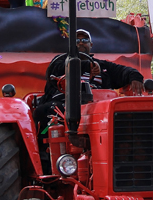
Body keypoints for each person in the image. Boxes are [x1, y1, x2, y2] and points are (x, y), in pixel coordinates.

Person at [34, 29, 144, 162]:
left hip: (96, 108)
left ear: (91, 45)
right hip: (63, 106)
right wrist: (86, 65)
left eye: (85, 40)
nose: (81, 43)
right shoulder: (60, 62)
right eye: (77, 40)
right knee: (46, 117)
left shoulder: (102, 66)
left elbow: (124, 71)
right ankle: (46, 159)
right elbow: (55, 69)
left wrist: (135, 77)